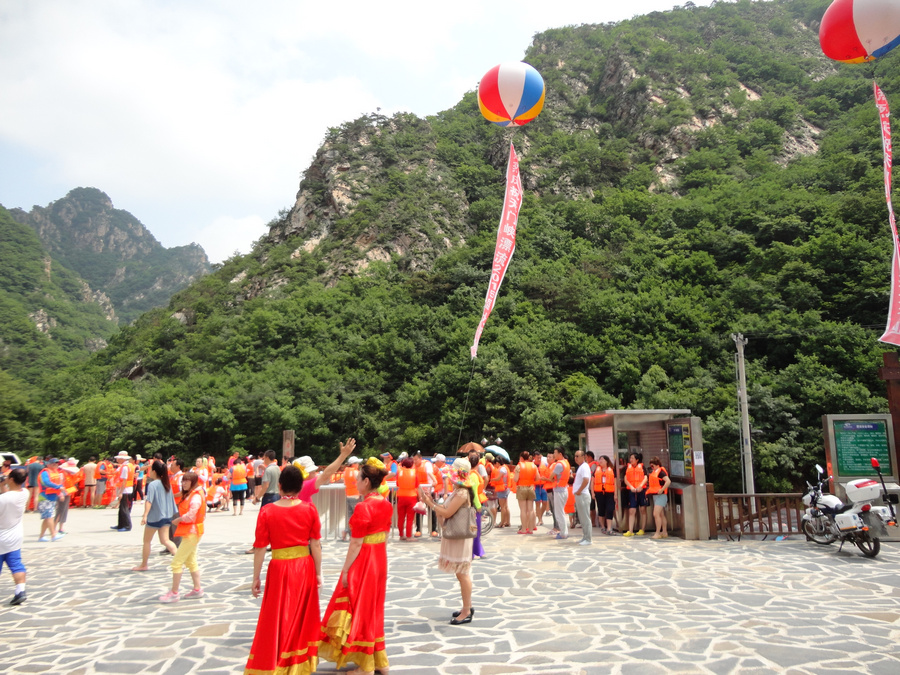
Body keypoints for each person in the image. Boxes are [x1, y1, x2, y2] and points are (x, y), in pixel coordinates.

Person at [244, 465, 323, 675]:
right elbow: (315, 544)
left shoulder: (267, 511)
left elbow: (260, 547)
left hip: (278, 568)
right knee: (300, 616)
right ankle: (297, 662)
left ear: (279, 486)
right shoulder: (309, 509)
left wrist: (256, 577)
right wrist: (318, 572)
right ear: (300, 487)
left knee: (279, 615)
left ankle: (278, 659)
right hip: (304, 567)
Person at [319, 457, 393, 675]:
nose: (356, 481)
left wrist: (345, 570)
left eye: (359, 478)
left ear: (367, 481)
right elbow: (385, 536)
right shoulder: (386, 504)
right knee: (374, 609)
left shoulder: (364, 507)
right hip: (379, 559)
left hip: (365, 561)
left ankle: (366, 666)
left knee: (360, 609)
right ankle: (379, 661)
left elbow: (356, 543)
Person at [421, 457, 476, 625]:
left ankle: (466, 610)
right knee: (461, 573)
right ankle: (467, 607)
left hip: (459, 537)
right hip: (457, 536)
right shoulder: (459, 490)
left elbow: (447, 513)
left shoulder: (461, 492)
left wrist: (429, 503)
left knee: (462, 573)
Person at [160, 471, 206, 603]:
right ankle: (197, 589)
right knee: (191, 562)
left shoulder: (195, 496)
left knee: (176, 563)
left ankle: (174, 592)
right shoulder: (193, 494)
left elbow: (192, 514)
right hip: (191, 532)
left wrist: (179, 519)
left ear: (193, 482)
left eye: (187, 481)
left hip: (192, 531)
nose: (184, 483)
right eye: (183, 481)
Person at [133, 460, 178, 571]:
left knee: (147, 541)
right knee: (166, 540)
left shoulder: (153, 484)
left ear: (154, 471)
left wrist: (145, 515)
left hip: (155, 517)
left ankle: (144, 564)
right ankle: (180, 561)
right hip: (167, 516)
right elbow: (171, 501)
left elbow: (149, 501)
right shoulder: (167, 484)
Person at [0, 468, 28, 605]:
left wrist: (2, 483)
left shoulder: (3, 499)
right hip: (15, 536)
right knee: (16, 565)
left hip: (1, 536)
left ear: (11, 479)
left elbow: (5, 499)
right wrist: (3, 484)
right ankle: (20, 590)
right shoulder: (25, 493)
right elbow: (8, 498)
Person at [37, 458, 64, 542]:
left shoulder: (56, 472)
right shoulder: (45, 472)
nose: (55, 465)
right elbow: (45, 482)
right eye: (53, 463)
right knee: (49, 517)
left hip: (52, 497)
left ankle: (41, 537)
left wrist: (60, 493)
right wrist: (58, 487)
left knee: (47, 517)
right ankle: (53, 534)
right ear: (48, 464)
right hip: (45, 497)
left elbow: (59, 484)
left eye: (57, 464)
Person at [647, 457, 672, 539]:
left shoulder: (661, 472)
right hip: (656, 495)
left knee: (656, 514)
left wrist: (662, 489)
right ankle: (664, 532)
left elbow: (668, 481)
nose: (652, 468)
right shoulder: (655, 472)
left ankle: (657, 533)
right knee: (661, 514)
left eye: (653, 466)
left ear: (657, 465)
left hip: (661, 495)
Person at [623, 452, 648, 537]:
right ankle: (630, 530)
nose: (631, 460)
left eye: (633, 458)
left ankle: (642, 529)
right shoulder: (627, 467)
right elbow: (625, 479)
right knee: (632, 510)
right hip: (632, 491)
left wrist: (640, 486)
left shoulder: (642, 467)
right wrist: (630, 487)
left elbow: (645, 477)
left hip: (641, 490)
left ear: (637, 460)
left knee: (643, 510)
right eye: (630, 458)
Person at [549, 447, 571, 540]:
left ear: (560, 454)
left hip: (559, 490)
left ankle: (563, 533)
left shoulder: (559, 465)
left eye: (555, 453)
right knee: (561, 512)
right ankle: (564, 532)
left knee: (559, 513)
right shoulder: (566, 462)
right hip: (563, 489)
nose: (554, 454)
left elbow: (551, 476)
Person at [573, 449, 593, 546]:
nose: (576, 458)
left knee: (585, 518)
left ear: (583, 457)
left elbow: (586, 480)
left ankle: (588, 539)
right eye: (575, 456)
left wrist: (579, 490)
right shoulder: (581, 467)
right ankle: (585, 537)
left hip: (583, 495)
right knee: (582, 517)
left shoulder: (584, 467)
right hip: (580, 495)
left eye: (578, 456)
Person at [395, 457, 418, 541]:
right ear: (412, 464)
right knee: (410, 518)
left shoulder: (399, 472)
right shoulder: (414, 473)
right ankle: (409, 536)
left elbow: (397, 483)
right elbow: (417, 485)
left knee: (400, 517)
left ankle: (401, 535)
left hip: (401, 496)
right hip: (411, 497)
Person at [593, 455, 617, 535]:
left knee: (610, 509)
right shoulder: (596, 470)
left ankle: (609, 528)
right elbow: (592, 482)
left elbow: (615, 483)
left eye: (602, 459)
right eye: (600, 459)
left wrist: (615, 494)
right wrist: (593, 493)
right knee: (601, 510)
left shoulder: (612, 470)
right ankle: (603, 527)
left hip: (609, 492)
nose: (600, 461)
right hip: (599, 493)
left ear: (607, 461)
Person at [514, 451, 537, 534]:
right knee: (531, 510)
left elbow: (516, 479)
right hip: (531, 487)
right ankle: (531, 529)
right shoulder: (534, 465)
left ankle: (524, 529)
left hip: (521, 488)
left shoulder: (518, 466)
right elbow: (537, 478)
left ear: (522, 458)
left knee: (523, 510)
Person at [112, 451, 135, 532]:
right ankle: (121, 524)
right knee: (122, 508)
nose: (117, 460)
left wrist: (120, 492)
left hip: (126, 490)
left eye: (118, 458)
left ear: (122, 459)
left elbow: (124, 480)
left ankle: (127, 526)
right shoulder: (128, 465)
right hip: (127, 489)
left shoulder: (125, 467)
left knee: (124, 508)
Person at [57, 458, 79, 534]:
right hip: (62, 494)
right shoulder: (61, 474)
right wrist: (61, 494)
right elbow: (59, 485)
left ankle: (61, 527)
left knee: (64, 511)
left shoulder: (69, 474)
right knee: (60, 510)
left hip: (67, 493)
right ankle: (55, 528)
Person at [342, 456, 362, 540]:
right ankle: (354, 534)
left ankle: (347, 532)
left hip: (348, 495)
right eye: (357, 463)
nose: (358, 464)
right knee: (357, 516)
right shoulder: (356, 472)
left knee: (350, 516)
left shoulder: (345, 472)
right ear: (353, 464)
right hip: (356, 496)